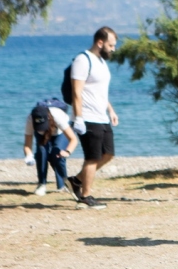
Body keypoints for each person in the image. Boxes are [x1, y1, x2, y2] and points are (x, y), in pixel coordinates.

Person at [69, 27, 119, 211]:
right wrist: (79, 118)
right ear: (100, 42)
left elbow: (100, 92)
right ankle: (85, 196)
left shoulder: (102, 62)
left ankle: (76, 180)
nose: (113, 49)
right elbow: (76, 91)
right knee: (92, 157)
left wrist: (111, 110)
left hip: (102, 116)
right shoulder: (83, 60)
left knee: (108, 154)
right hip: (88, 117)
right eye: (111, 45)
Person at [22, 99, 78, 198]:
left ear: (48, 117)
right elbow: (27, 144)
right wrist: (29, 156)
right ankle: (41, 184)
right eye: (38, 126)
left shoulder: (58, 117)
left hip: (60, 132)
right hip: (43, 136)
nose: (41, 128)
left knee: (57, 153)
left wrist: (67, 152)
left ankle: (64, 185)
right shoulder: (30, 119)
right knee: (41, 152)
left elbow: (73, 139)